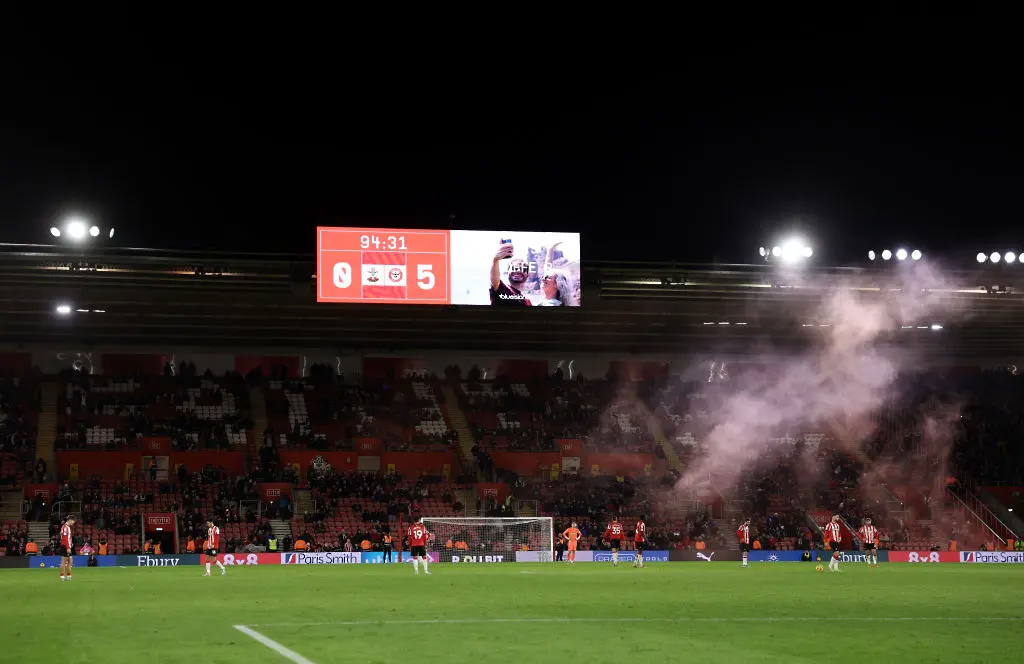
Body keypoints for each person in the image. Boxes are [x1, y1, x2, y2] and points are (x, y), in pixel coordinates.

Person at [489, 240, 532, 306]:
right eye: (513, 268)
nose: (517, 271)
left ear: (527, 275)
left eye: (522, 269)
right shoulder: (502, 289)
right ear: (507, 272)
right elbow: (494, 281)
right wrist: (496, 260)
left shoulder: (527, 302)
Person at [59, 516, 75, 582]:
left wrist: (71, 543)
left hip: (67, 546)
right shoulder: (65, 527)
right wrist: (68, 547)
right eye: (73, 521)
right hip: (65, 546)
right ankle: (62, 576)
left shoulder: (67, 527)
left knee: (70, 561)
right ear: (70, 520)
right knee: (64, 562)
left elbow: (68, 538)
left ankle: (69, 576)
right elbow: (65, 538)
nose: (74, 523)